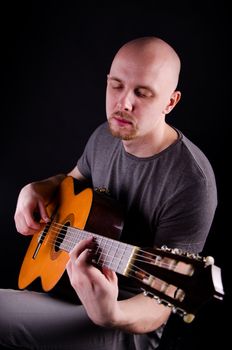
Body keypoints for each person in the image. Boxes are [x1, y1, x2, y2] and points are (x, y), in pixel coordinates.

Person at [0, 36, 217, 349]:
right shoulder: (105, 135)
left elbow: (159, 306)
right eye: (116, 85)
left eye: (142, 93)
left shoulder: (192, 181)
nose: (123, 103)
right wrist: (36, 188)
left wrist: (111, 313)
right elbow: (72, 180)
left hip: (124, 322)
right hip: (65, 287)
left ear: (170, 102)